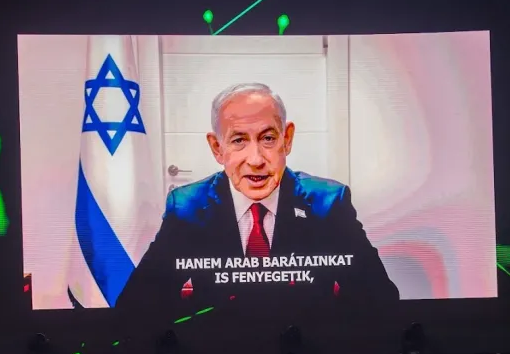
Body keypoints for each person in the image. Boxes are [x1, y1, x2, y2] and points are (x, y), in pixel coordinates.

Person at [116, 82, 398, 316]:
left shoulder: (329, 204)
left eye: (267, 139)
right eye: (238, 140)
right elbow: (138, 306)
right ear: (217, 148)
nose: (256, 160)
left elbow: (380, 301)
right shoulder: (187, 208)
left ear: (287, 139)